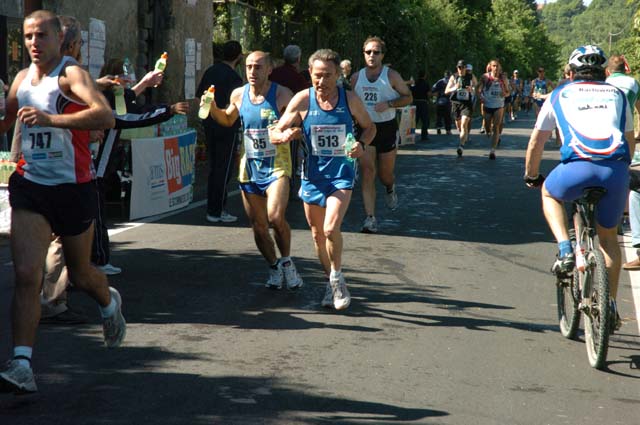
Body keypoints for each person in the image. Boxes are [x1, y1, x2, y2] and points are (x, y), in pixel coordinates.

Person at [0, 10, 124, 394]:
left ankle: (108, 301)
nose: (34, 43)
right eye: (28, 37)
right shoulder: (21, 79)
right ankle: (22, 363)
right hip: (31, 185)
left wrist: (51, 120)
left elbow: (105, 116)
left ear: (58, 38)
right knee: (26, 275)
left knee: (81, 273)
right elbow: (5, 121)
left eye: (41, 36)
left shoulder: (72, 75)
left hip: (73, 187)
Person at [524, 45, 634, 330]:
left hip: (576, 169)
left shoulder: (560, 94)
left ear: (571, 72)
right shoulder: (619, 95)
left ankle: (564, 250)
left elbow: (536, 142)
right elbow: (630, 140)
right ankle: (609, 305)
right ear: (604, 73)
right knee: (608, 238)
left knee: (549, 191)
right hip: (615, 171)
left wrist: (532, 175)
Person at [273, 48, 376, 309]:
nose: (322, 82)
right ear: (310, 73)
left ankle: (337, 278)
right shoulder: (302, 100)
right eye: (317, 76)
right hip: (312, 177)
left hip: (341, 175)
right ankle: (330, 282)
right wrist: (283, 136)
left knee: (331, 228)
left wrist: (361, 147)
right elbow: (275, 131)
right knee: (318, 236)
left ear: (338, 75)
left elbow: (370, 127)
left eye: (328, 76)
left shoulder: (349, 99)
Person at [205, 51, 303, 290]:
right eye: (248, 67)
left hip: (278, 166)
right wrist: (210, 107)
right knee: (258, 227)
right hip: (249, 168)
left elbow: (299, 122)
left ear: (269, 69)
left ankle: (288, 262)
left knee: (275, 217)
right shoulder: (239, 94)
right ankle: (273, 267)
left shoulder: (282, 94)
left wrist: (288, 132)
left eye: (258, 67)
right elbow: (228, 120)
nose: (252, 72)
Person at [351, 36, 412, 233]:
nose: (371, 55)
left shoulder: (391, 76)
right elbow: (350, 102)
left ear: (382, 55)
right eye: (368, 52)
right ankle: (370, 218)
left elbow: (408, 97)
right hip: (365, 129)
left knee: (385, 174)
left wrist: (389, 104)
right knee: (368, 172)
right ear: (364, 54)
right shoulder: (355, 77)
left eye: (376, 52)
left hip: (386, 127)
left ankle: (390, 187)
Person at [197, 40, 244, 223]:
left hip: (209, 123)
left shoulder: (210, 71)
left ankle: (213, 207)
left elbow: (200, 95)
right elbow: (235, 105)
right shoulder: (235, 78)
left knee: (214, 166)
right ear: (239, 56)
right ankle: (217, 210)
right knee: (224, 169)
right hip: (226, 124)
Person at [605, 55, 640, 269]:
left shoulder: (605, 84)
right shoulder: (633, 82)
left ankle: (612, 219)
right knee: (630, 177)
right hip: (627, 136)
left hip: (605, 138)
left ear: (608, 71)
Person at [477, 59, 510, 160]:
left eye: (497, 66)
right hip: (488, 104)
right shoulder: (485, 77)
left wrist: (505, 93)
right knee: (488, 126)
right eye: (494, 66)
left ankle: (492, 150)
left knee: (496, 126)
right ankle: (487, 131)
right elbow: (478, 89)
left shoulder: (503, 78)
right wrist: (480, 97)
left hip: (499, 105)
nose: (496, 68)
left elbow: (508, 92)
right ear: (490, 67)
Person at [445, 59, 477, 158]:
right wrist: (455, 87)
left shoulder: (471, 76)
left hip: (466, 103)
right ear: (457, 68)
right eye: (459, 67)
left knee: (463, 124)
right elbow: (446, 91)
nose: (461, 69)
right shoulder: (453, 77)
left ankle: (461, 146)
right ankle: (464, 136)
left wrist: (472, 89)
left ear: (465, 68)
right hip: (456, 103)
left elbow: (477, 87)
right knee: (459, 127)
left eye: (463, 67)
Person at [411, 70, 431, 141]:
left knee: (414, 120)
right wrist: (429, 100)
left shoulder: (414, 83)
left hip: (415, 102)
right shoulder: (426, 83)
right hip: (423, 102)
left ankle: (411, 135)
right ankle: (424, 136)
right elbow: (428, 94)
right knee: (425, 120)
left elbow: (411, 91)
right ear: (425, 76)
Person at [432, 71, 452, 135]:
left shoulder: (440, 81)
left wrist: (435, 97)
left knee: (439, 115)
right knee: (447, 116)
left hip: (440, 100)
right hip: (448, 101)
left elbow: (433, 89)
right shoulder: (452, 81)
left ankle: (438, 128)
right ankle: (448, 130)